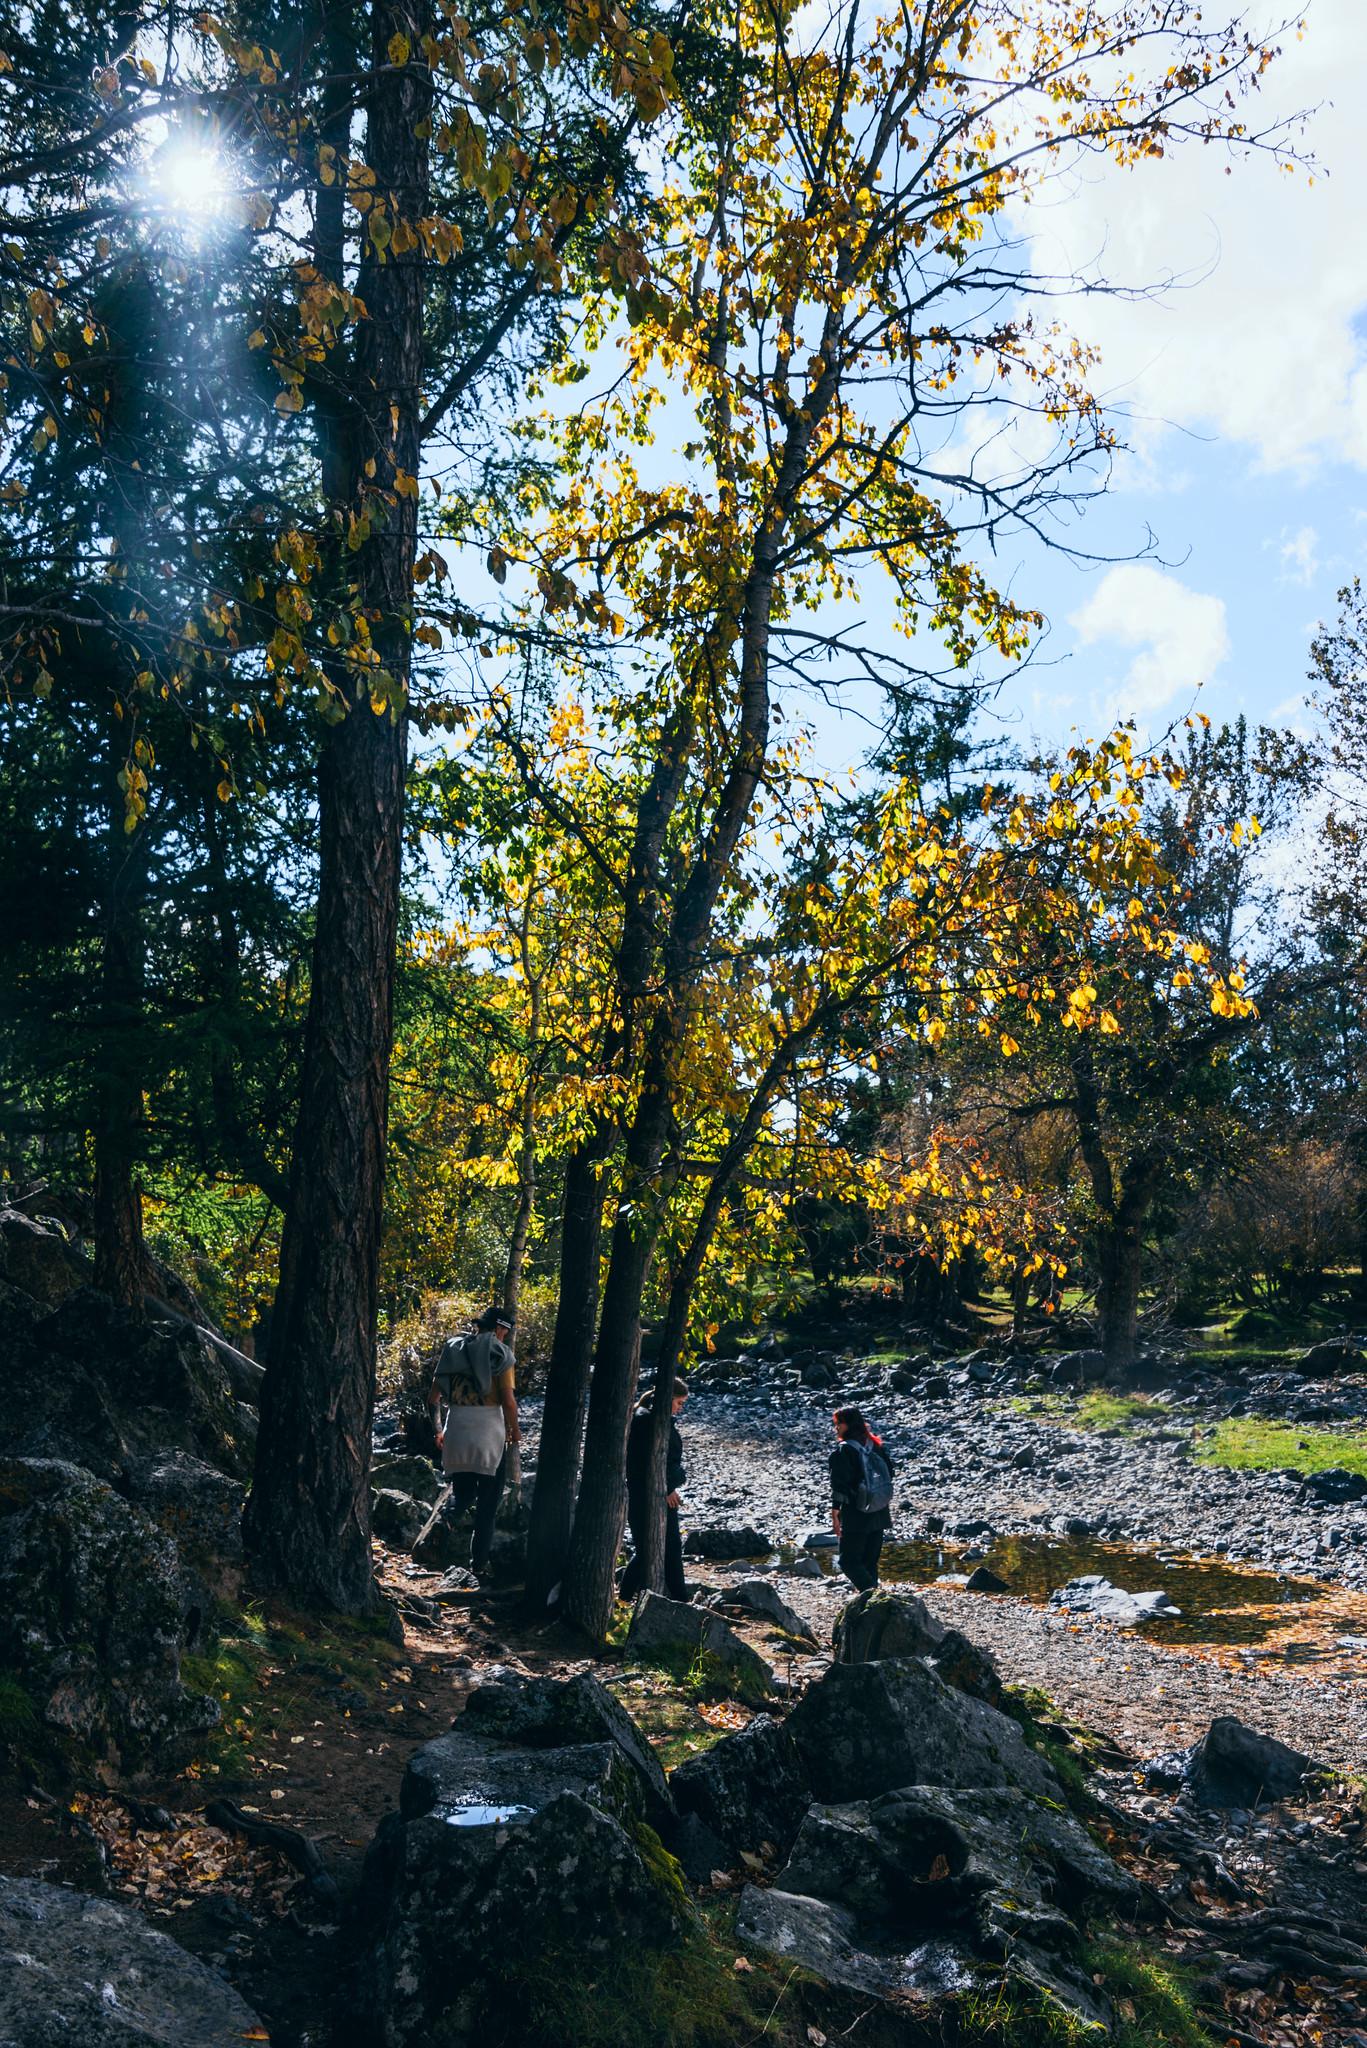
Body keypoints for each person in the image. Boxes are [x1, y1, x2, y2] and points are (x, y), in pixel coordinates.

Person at [428, 1307, 520, 1582]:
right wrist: (514, 1430)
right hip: (488, 1433)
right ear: (500, 1329)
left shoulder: (453, 1350)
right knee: (488, 1505)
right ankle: (478, 1566)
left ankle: (445, 1520)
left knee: (463, 1492)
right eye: (506, 1331)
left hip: (456, 1428)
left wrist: (437, 1430)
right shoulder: (500, 1356)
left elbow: (433, 1397)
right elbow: (509, 1402)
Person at [620, 1377, 689, 1602]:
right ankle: (679, 1601)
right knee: (661, 1549)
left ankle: (626, 1598)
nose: (680, 1408)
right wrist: (669, 1487)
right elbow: (653, 1461)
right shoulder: (649, 1423)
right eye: (679, 1403)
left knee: (651, 1549)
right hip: (653, 1496)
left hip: (647, 1493)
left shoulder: (643, 1417)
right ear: (668, 1399)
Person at [828, 1405, 894, 1591]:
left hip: (857, 1513)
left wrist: (835, 1514)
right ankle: (873, 1602)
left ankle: (872, 1595)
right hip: (880, 1510)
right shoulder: (875, 1446)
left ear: (847, 1425)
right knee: (869, 1562)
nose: (836, 1428)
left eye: (838, 1423)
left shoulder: (843, 1451)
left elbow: (839, 1486)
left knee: (848, 1561)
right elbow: (890, 1472)